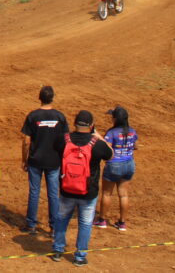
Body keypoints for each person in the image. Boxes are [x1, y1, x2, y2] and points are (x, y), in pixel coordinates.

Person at [49, 111, 113, 267]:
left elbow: (56, 148)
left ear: (75, 123)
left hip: (67, 187)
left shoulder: (63, 140)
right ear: (91, 125)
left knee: (62, 218)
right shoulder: (96, 144)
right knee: (85, 223)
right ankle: (80, 256)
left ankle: (58, 250)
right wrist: (97, 135)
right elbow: (110, 154)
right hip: (88, 191)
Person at [20, 85, 69, 235]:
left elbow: (26, 141)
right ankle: (53, 226)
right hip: (54, 161)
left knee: (34, 192)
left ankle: (31, 225)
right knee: (53, 194)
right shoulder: (60, 117)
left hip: (35, 160)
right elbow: (66, 140)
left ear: (40, 98)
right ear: (52, 98)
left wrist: (24, 159)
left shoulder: (33, 116)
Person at [95, 106, 139, 232]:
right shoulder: (132, 131)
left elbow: (107, 149)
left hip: (114, 165)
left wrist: (99, 138)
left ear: (115, 119)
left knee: (107, 193)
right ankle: (122, 223)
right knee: (123, 194)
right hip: (129, 164)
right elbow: (136, 146)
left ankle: (102, 220)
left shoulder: (111, 133)